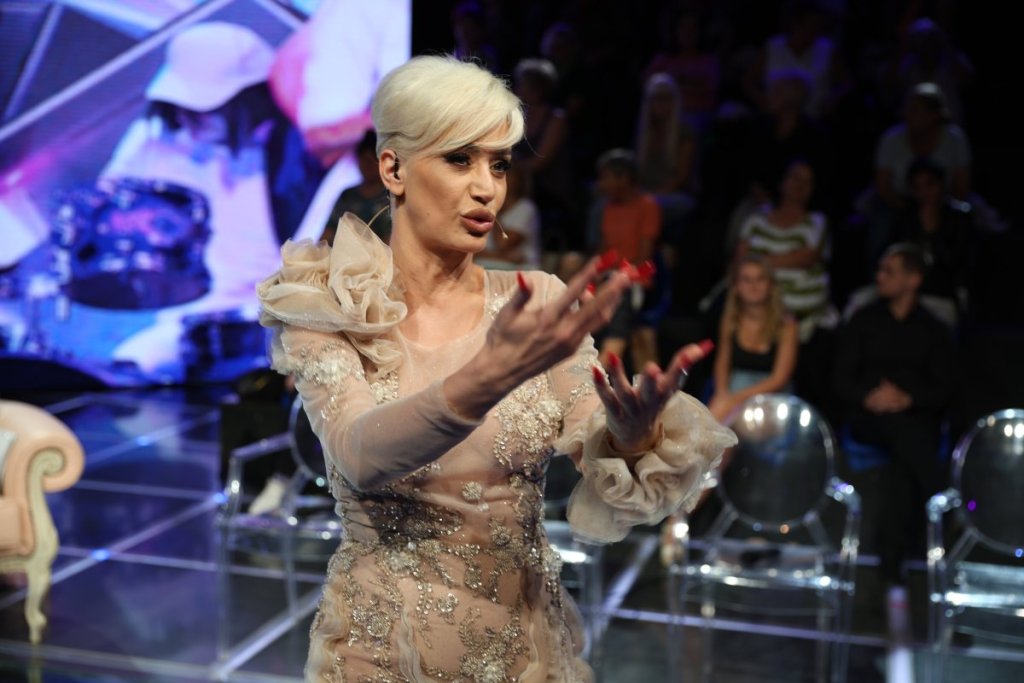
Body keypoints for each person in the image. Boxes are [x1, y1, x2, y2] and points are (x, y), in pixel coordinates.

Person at [256, 55, 736, 681]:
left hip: (525, 652)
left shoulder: (534, 301)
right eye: (460, 159)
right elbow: (358, 454)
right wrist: (489, 378)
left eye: (500, 164)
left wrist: (633, 435)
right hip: (380, 655)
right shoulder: (330, 303)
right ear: (393, 169)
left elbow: (600, 457)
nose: (488, 187)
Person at [832, 243, 954, 585]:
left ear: (913, 280)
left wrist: (907, 398)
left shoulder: (933, 329)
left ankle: (891, 563)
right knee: (910, 443)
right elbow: (840, 378)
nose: (879, 276)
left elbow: (945, 388)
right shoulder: (864, 320)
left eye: (889, 271)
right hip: (868, 416)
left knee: (903, 460)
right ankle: (940, 501)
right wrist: (870, 397)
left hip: (915, 417)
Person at [589, 148, 663, 373]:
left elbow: (644, 256)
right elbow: (603, 251)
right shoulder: (607, 208)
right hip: (608, 277)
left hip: (635, 280)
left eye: (606, 178)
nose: (601, 184)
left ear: (624, 178)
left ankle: (604, 364)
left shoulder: (647, 206)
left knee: (619, 294)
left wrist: (619, 277)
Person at [708, 255, 799, 422]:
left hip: (771, 394)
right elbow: (722, 362)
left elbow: (779, 379)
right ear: (736, 286)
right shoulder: (730, 320)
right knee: (715, 413)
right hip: (735, 385)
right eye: (746, 280)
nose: (753, 286)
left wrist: (734, 400)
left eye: (760, 279)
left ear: (771, 285)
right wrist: (722, 393)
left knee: (726, 413)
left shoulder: (786, 324)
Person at [321, 128, 391, 245]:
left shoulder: (390, 197)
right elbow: (327, 234)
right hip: (343, 254)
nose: (368, 165)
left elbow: (394, 240)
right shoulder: (348, 196)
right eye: (364, 160)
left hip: (382, 255)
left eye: (372, 161)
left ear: (382, 162)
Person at [476, 159, 542, 270]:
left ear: (519, 178)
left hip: (520, 271)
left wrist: (493, 210)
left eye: (508, 172)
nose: (502, 176)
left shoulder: (525, 208)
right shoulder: (482, 204)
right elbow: (471, 251)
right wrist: (501, 257)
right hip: (487, 268)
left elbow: (503, 244)